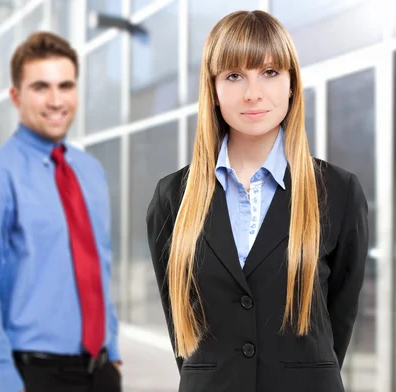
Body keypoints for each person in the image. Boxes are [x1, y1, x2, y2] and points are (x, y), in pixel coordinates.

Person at [146, 10, 368, 392]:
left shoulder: (338, 191)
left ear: (291, 84)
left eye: (269, 72)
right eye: (234, 76)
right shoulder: (173, 198)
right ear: (213, 91)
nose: (253, 93)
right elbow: (181, 329)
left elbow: (337, 322)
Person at [0, 32, 122, 392]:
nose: (56, 100)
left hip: (101, 371)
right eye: (41, 87)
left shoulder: (90, 171)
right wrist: (5, 383)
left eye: (66, 85)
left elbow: (98, 265)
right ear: (15, 96)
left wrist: (115, 350)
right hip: (34, 375)